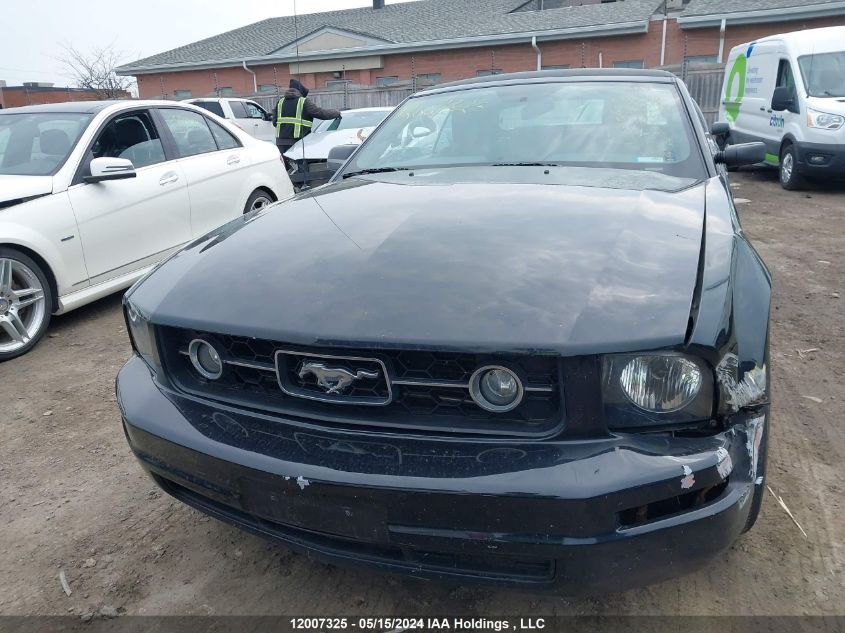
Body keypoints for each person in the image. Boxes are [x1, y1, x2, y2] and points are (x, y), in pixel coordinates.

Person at [273, 79, 341, 161]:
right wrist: (336, 113)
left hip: (280, 143)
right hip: (297, 143)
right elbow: (320, 113)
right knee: (300, 169)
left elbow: (274, 122)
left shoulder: (280, 102)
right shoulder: (304, 102)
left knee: (285, 168)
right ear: (301, 91)